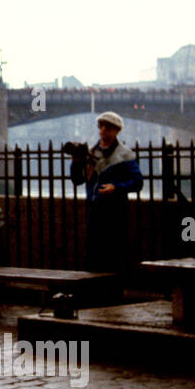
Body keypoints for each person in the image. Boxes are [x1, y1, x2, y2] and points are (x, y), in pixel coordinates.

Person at [69, 111, 144, 273]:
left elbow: (137, 182)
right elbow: (78, 180)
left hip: (115, 210)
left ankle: (113, 293)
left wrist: (116, 188)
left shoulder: (125, 154)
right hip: (94, 210)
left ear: (116, 131)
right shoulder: (90, 153)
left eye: (108, 127)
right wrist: (75, 162)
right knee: (92, 254)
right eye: (101, 126)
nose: (103, 130)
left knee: (114, 254)